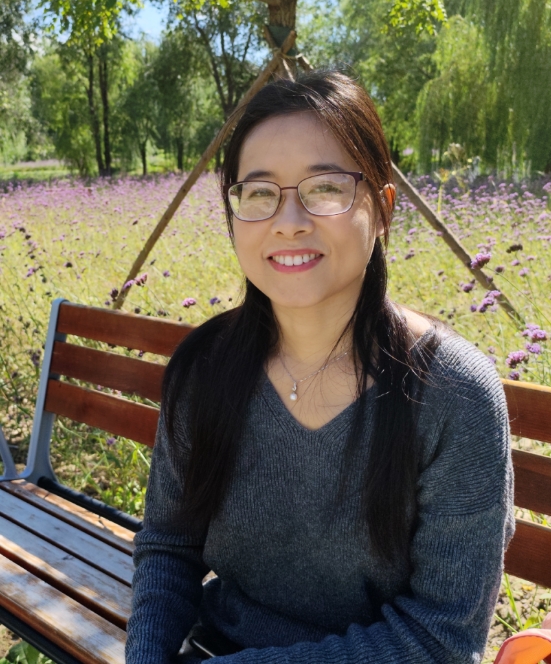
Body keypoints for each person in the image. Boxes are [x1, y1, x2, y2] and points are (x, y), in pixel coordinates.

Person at [125, 71, 514, 664]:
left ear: (383, 209)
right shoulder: (204, 370)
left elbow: (442, 639)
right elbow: (168, 546)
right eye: (259, 193)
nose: (288, 221)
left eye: (325, 187)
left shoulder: (454, 395)